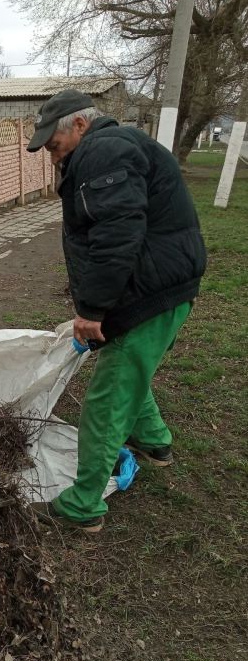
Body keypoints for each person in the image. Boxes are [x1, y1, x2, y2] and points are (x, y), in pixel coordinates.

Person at [26, 90, 206, 533]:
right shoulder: (113, 146)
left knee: (108, 398)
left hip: (149, 290)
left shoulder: (104, 151)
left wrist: (91, 310)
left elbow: (117, 234)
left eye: (55, 146)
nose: (53, 157)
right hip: (157, 284)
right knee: (127, 367)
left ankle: (83, 505)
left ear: (80, 125)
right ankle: (154, 442)